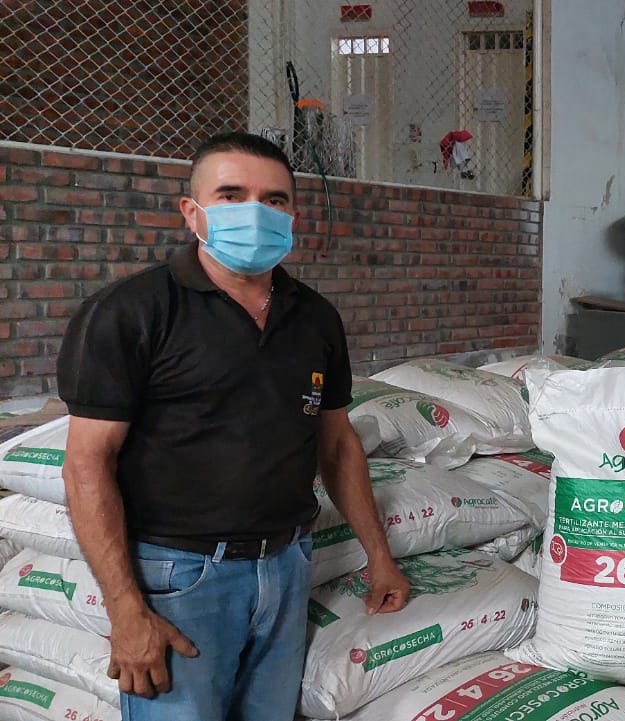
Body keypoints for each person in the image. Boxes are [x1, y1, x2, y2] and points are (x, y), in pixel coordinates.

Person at [56, 132, 410, 721]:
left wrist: (380, 555)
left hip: (287, 564)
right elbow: (86, 464)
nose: (255, 211)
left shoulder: (315, 317)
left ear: (292, 214)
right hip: (180, 577)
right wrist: (126, 610)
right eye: (231, 193)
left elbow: (338, 444)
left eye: (273, 199)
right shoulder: (130, 312)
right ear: (192, 212)